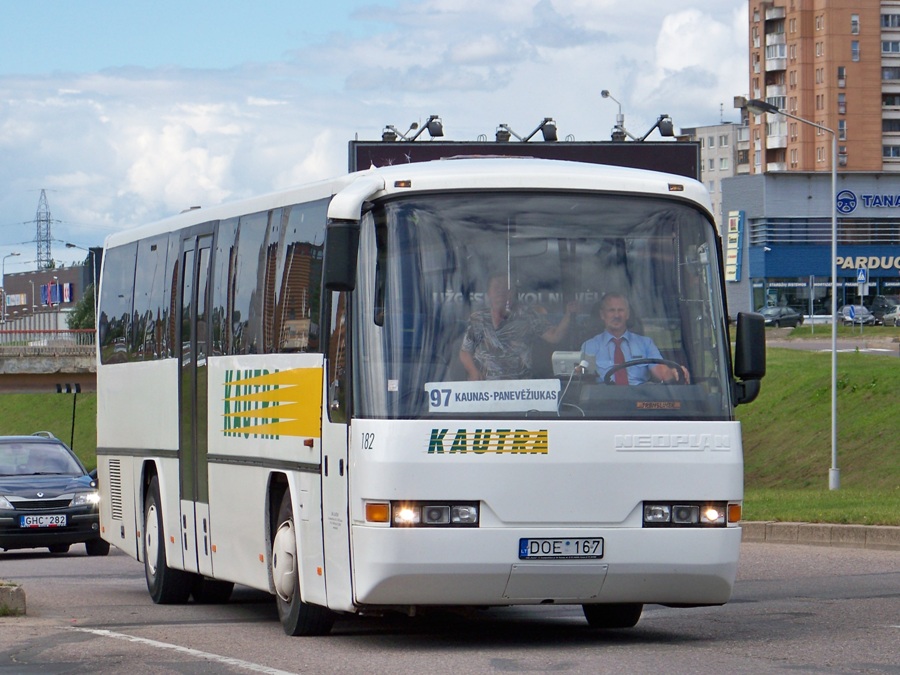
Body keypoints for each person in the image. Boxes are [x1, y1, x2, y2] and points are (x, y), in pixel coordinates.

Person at [459, 275, 576, 380]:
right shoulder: (478, 319)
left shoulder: (527, 316)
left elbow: (554, 336)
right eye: (496, 288)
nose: (500, 292)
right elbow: (465, 352)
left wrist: (568, 315)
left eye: (505, 288)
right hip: (485, 390)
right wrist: (473, 371)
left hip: (520, 389)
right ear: (489, 293)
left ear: (512, 292)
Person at [581, 292, 690, 385]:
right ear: (602, 315)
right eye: (611, 310)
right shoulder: (589, 346)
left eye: (621, 310)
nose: (616, 315)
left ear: (628, 314)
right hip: (601, 404)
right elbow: (584, 380)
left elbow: (660, 371)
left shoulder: (645, 343)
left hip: (640, 402)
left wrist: (673, 373)